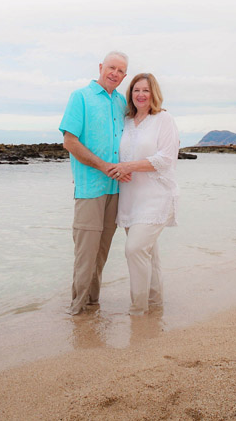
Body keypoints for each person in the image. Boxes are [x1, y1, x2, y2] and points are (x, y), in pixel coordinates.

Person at [59, 51, 129, 315]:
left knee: (101, 255)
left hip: (116, 190)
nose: (115, 73)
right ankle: (76, 311)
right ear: (101, 67)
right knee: (85, 255)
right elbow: (70, 142)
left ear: (124, 76)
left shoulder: (122, 102)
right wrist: (103, 166)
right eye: (111, 67)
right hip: (90, 189)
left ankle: (93, 305)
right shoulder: (81, 97)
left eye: (121, 71)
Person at [107, 73, 179, 316]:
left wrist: (130, 166)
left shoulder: (163, 119)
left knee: (135, 249)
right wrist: (119, 170)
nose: (140, 95)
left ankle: (137, 310)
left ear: (153, 93)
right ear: (130, 94)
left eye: (146, 91)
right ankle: (155, 306)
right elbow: (120, 157)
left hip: (155, 196)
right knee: (149, 255)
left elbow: (166, 159)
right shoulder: (126, 122)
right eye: (136, 90)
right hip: (129, 198)